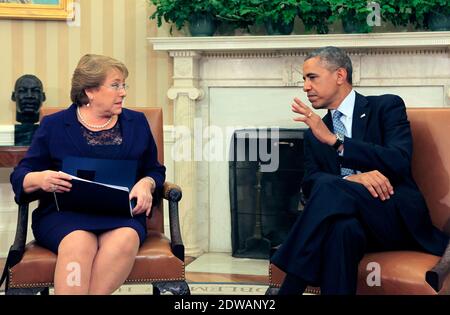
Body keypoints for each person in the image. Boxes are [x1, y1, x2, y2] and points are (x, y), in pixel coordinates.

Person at [271, 46, 449, 295]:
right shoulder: (315, 132)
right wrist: (354, 180)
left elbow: (399, 161)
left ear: (340, 75)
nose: (305, 87)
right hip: (354, 224)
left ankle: (289, 288)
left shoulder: (386, 107)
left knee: (329, 186)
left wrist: (338, 143)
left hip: (393, 217)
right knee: (341, 228)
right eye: (304, 80)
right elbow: (310, 183)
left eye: (312, 78)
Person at [10, 54, 166, 295]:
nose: (123, 92)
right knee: (78, 243)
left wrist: (147, 183)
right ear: (90, 91)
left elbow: (154, 169)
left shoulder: (137, 122)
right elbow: (22, 173)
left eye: (124, 85)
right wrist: (41, 178)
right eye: (115, 85)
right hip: (65, 216)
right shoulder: (55, 125)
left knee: (125, 239)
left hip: (122, 216)